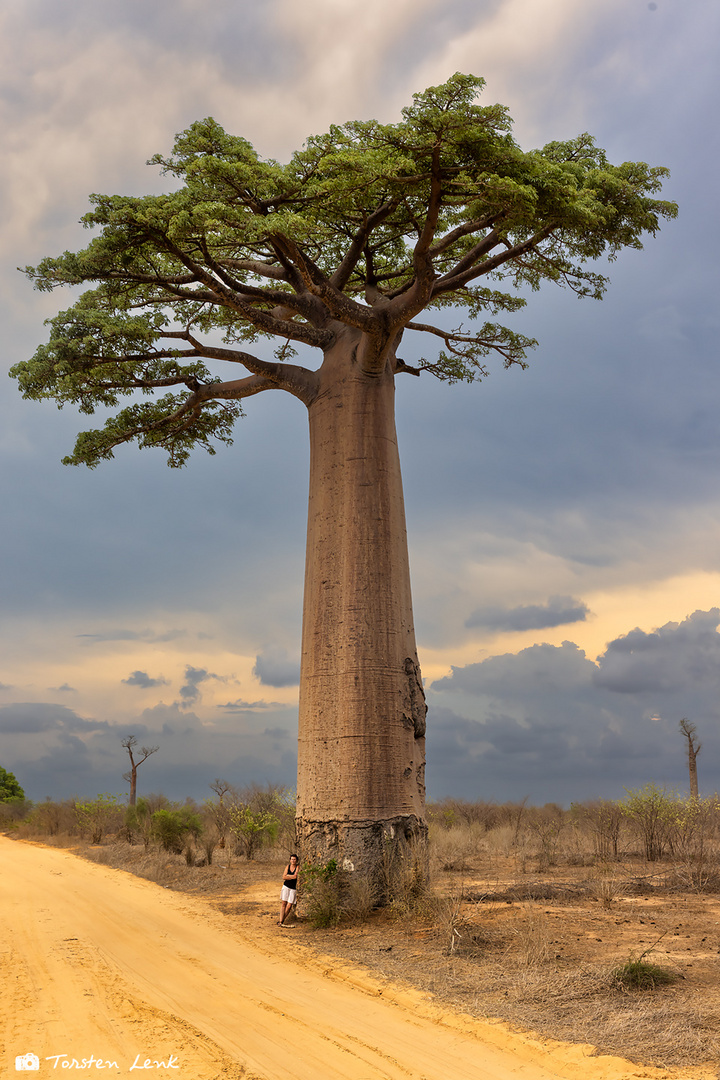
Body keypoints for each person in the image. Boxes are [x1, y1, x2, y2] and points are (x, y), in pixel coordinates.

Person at [278, 853, 299, 926]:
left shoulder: (298, 867)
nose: (293, 861)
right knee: (284, 903)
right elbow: (283, 877)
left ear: (296, 860)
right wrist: (291, 876)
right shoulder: (288, 866)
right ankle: (281, 921)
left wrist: (288, 876)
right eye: (292, 859)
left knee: (289, 905)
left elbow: (295, 876)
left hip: (293, 888)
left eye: (294, 859)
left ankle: (282, 919)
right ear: (290, 860)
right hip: (286, 886)